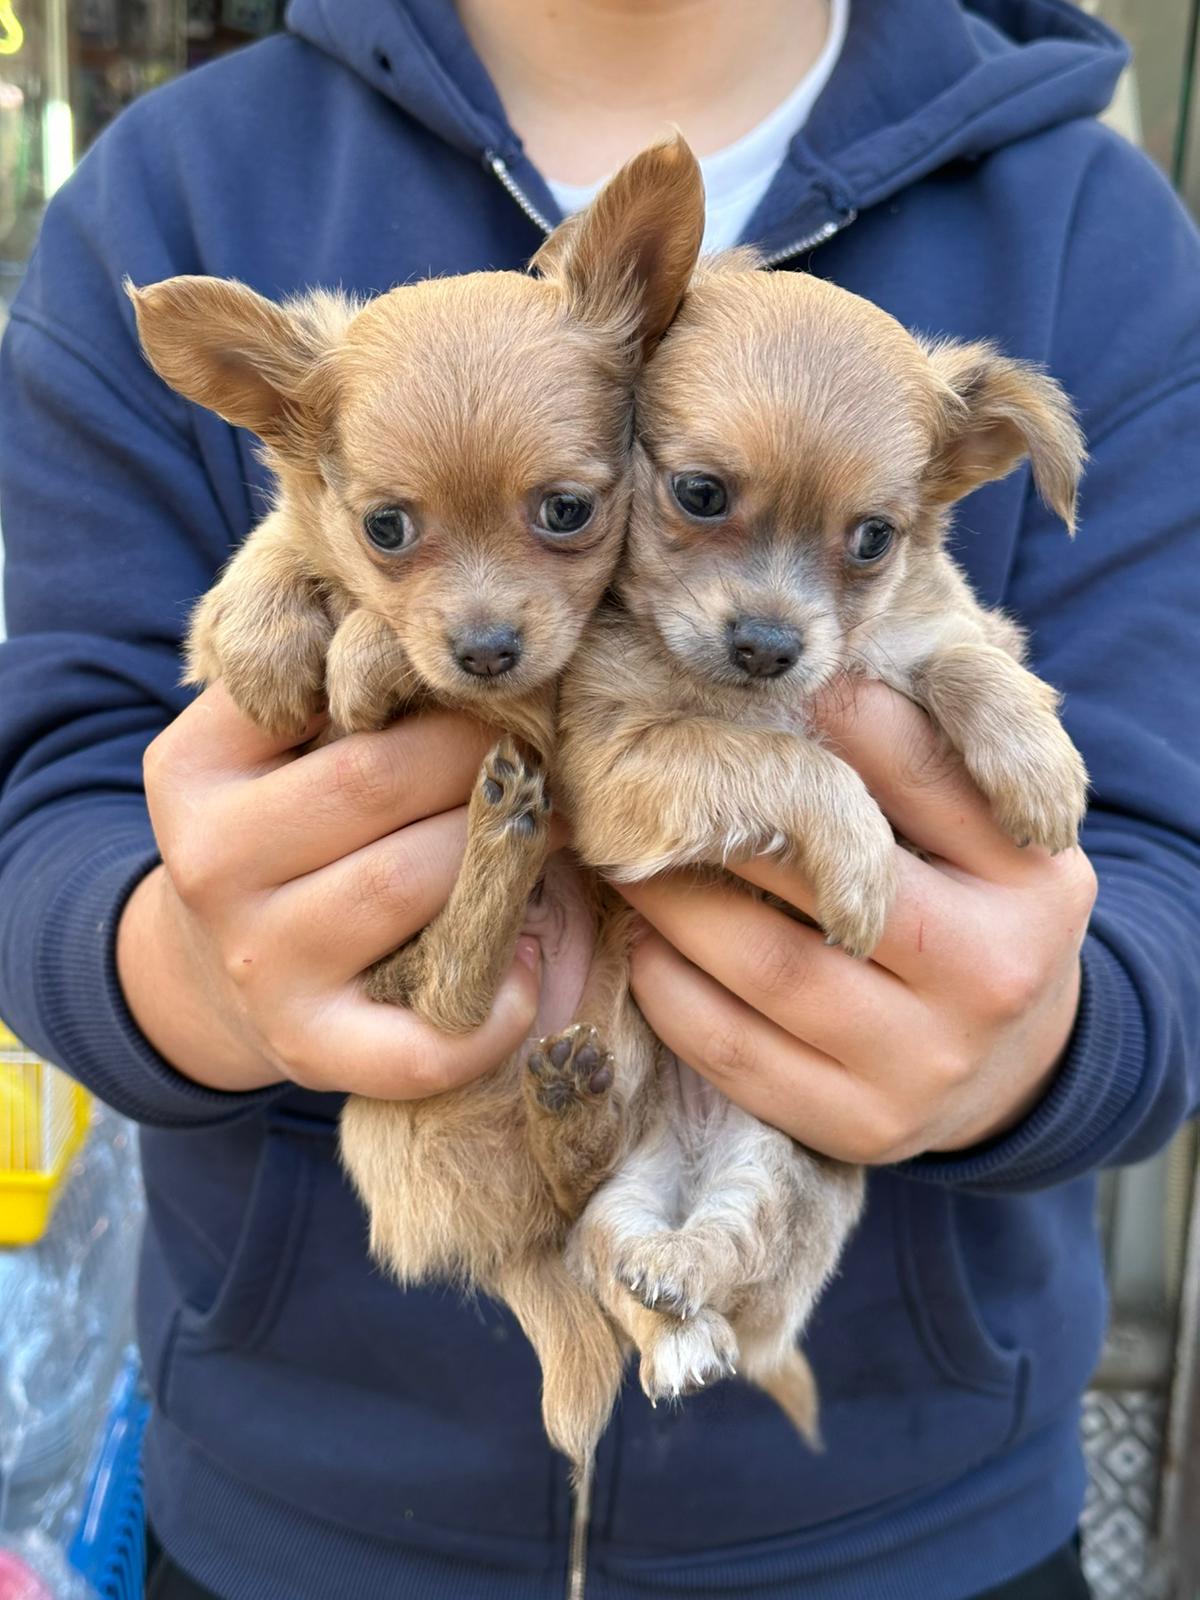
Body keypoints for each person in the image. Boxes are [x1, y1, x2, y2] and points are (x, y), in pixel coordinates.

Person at [0, 1, 1197, 1596]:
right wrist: (164, 969)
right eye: (694, 500)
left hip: (906, 1518)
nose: (489, 615)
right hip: (311, 1503)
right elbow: (49, 790)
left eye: (572, 514)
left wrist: (1059, 1037)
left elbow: (1163, 863)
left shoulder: (1097, 232)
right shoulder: (175, 190)